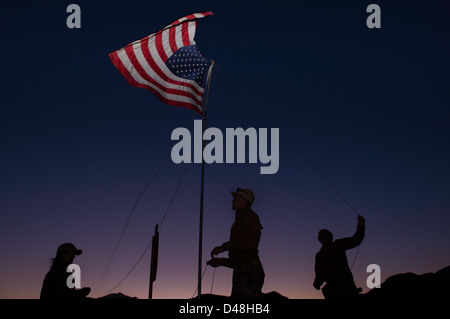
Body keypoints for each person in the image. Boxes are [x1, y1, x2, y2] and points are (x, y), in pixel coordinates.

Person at [207, 188, 265, 299]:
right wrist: (222, 261)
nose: (232, 201)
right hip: (244, 271)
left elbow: (250, 244)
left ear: (243, 201)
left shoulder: (250, 217)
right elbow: (241, 257)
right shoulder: (240, 219)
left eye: (235, 198)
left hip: (249, 273)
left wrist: (224, 247)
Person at [313, 215, 366, 299]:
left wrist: (361, 225)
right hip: (332, 291)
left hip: (347, 287)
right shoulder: (319, 255)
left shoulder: (338, 244)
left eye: (328, 235)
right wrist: (317, 283)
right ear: (320, 239)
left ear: (331, 237)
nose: (326, 238)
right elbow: (319, 273)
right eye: (323, 236)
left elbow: (355, 240)